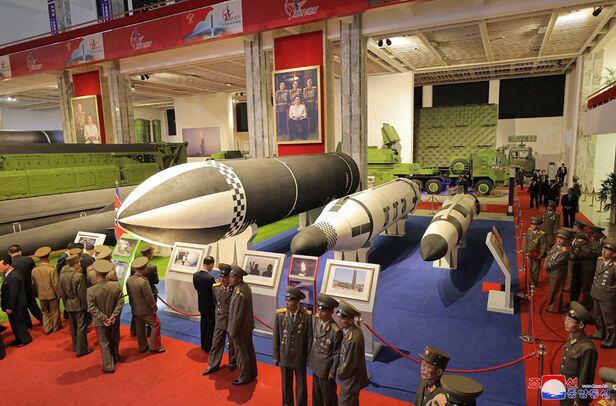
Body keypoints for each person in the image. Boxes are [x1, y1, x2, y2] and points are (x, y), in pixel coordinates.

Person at [273, 286, 313, 406]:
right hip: (285, 355)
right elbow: (276, 337)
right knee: (286, 383)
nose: (287, 303)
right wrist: (276, 355)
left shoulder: (306, 317)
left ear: (297, 302)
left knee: (301, 384)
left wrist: (309, 358)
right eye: (286, 300)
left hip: (299, 357)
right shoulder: (280, 315)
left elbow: (309, 339)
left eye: (290, 300)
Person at [87, 259, 124, 373]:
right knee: (115, 338)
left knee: (104, 343)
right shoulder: (116, 286)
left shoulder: (91, 290)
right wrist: (113, 316)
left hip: (100, 321)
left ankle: (108, 365)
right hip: (114, 320)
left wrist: (104, 318)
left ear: (96, 274)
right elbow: (120, 302)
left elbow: (92, 307)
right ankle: (115, 357)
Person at [559, 302, 598, 406]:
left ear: (580, 325)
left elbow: (586, 376)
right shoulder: (572, 338)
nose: (566, 323)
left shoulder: (587, 348)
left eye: (570, 321)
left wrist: (579, 399)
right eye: (566, 319)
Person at [308, 294, 342, 406]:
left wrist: (332, 371)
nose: (320, 313)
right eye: (319, 310)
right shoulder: (317, 322)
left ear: (331, 312)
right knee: (316, 395)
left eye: (323, 311)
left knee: (329, 397)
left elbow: (337, 354)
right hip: (316, 365)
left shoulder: (336, 331)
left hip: (326, 370)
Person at [126, 257, 165, 353]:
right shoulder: (143, 282)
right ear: (144, 268)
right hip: (145, 310)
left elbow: (130, 295)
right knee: (156, 324)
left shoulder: (129, 280)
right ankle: (154, 347)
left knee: (140, 328)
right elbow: (149, 297)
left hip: (135, 309)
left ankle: (142, 346)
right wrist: (154, 307)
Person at [203, 263, 236, 375]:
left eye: (225, 277)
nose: (222, 280)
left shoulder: (235, 289)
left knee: (232, 344)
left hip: (231, 320)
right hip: (220, 319)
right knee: (216, 343)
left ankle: (232, 363)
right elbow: (215, 303)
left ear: (229, 277)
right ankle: (212, 365)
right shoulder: (215, 287)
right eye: (221, 277)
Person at [227, 265, 258, 385]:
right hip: (247, 327)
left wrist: (232, 332)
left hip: (240, 329)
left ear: (239, 278)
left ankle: (244, 376)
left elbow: (237, 315)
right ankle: (252, 372)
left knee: (241, 352)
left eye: (232, 277)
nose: (230, 279)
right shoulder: (245, 287)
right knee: (249, 350)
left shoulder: (240, 293)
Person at [336, 300, 368, 406]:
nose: (339, 320)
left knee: (345, 403)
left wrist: (339, 372)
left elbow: (349, 363)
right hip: (351, 378)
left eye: (342, 318)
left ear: (350, 319)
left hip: (351, 380)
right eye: (340, 317)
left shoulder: (353, 338)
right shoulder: (351, 331)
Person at [59, 254, 91, 357]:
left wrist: (65, 304)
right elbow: (82, 294)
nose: (80, 264)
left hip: (68, 305)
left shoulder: (62, 276)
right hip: (79, 305)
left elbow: (62, 293)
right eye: (79, 262)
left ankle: (76, 346)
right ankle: (82, 350)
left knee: (73, 327)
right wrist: (87, 307)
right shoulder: (79, 276)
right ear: (76, 264)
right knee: (81, 327)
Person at [0, 256, 32, 347]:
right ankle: (19, 339)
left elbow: (13, 294)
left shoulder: (13, 276)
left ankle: (25, 340)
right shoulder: (11, 274)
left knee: (19, 324)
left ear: (7, 265)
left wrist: (10, 307)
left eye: (0, 266)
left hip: (16, 306)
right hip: (16, 305)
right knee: (15, 323)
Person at [590, 238, 616, 349]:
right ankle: (600, 332)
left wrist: (611, 291)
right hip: (596, 292)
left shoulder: (614, 266)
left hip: (607, 296)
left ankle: (611, 339)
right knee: (598, 316)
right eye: (604, 248)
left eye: (608, 250)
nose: (604, 251)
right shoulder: (599, 260)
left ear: (614, 254)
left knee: (609, 319)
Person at [8, 244, 43, 327]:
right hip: (29, 289)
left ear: (9, 253)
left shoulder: (8, 264)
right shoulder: (28, 259)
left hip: (17, 291)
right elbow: (34, 274)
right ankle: (43, 321)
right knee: (34, 307)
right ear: (20, 251)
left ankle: (28, 325)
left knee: (23, 310)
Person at [31, 246, 62, 334]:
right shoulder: (51, 269)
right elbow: (55, 284)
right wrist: (59, 294)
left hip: (41, 295)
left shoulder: (34, 270)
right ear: (48, 257)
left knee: (45, 312)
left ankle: (47, 329)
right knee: (54, 312)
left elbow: (33, 285)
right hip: (51, 295)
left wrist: (36, 294)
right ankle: (56, 328)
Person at [544, 228, 572, 314]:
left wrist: (547, 265)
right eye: (558, 238)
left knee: (556, 291)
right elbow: (550, 255)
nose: (559, 240)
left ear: (566, 240)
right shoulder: (556, 246)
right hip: (553, 272)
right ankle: (553, 306)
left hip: (558, 273)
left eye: (562, 239)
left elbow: (557, 262)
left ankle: (555, 309)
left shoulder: (565, 250)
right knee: (554, 290)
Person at [193, 256, 216, 353]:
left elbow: (196, 288)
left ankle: (203, 345)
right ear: (211, 265)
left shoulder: (195, 275)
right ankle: (208, 347)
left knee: (203, 325)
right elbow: (214, 293)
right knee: (210, 327)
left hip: (201, 304)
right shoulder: (210, 278)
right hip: (210, 306)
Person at [568, 233, 595, 311]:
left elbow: (588, 253)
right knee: (575, 285)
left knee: (586, 288)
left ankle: (586, 305)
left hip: (586, 268)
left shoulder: (581, 242)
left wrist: (575, 256)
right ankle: (573, 303)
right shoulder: (574, 242)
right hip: (578, 267)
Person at [525, 217, 547, 287]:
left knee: (535, 269)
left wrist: (540, 255)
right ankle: (531, 279)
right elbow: (526, 241)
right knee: (530, 268)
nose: (532, 226)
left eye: (534, 225)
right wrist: (526, 251)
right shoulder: (529, 230)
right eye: (532, 224)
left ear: (538, 226)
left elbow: (543, 246)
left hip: (536, 255)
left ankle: (533, 282)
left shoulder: (542, 234)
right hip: (529, 253)